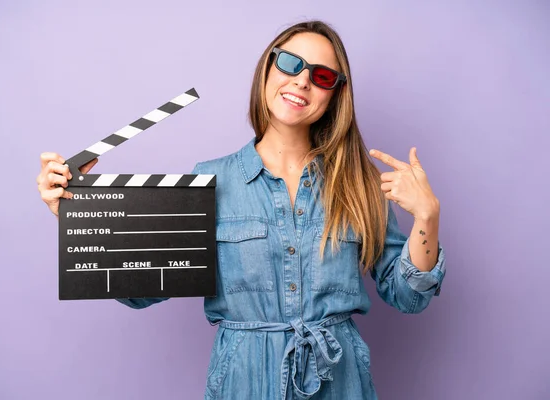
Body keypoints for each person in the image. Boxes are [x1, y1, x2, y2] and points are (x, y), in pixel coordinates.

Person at [37, 20, 446, 400]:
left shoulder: (358, 184)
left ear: (334, 94)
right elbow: (140, 291)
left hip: (340, 383)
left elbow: (408, 296)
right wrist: (74, 214)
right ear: (267, 68)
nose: (301, 81)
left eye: (321, 76)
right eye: (291, 63)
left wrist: (426, 218)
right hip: (244, 381)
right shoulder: (210, 182)